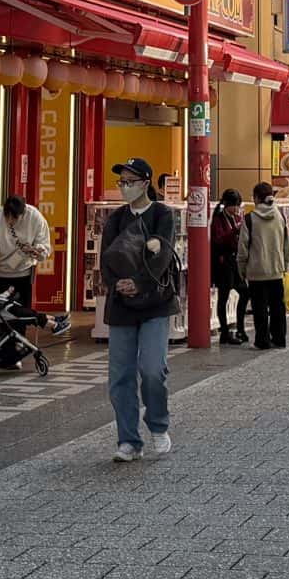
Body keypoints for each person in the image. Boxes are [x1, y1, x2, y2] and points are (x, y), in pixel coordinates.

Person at [99, 158, 180, 462]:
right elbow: (106, 258)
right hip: (121, 306)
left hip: (155, 303)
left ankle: (158, 424)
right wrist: (116, 283)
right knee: (120, 375)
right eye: (121, 182)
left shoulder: (162, 215)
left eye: (129, 181)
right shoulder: (116, 219)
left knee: (152, 369)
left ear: (145, 183)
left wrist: (140, 282)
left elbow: (163, 256)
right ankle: (129, 440)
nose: (124, 187)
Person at [0, 191, 52, 318]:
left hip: (24, 274)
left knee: (21, 316)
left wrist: (38, 250)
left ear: (23, 214)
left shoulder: (35, 217)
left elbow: (44, 244)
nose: (10, 221)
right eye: (7, 216)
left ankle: (18, 338)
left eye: (14, 218)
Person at [240, 181, 289, 349]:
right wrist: (286, 265)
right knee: (278, 307)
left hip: (256, 271)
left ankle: (262, 341)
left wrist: (242, 270)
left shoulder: (249, 219)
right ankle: (279, 339)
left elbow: (242, 248)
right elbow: (286, 244)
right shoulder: (280, 216)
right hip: (277, 270)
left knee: (259, 308)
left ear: (256, 198)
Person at [211, 188, 248, 344]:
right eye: (234, 206)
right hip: (223, 262)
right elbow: (218, 239)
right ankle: (224, 331)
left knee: (245, 292)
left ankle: (240, 328)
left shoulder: (236, 217)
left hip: (234, 260)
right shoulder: (219, 218)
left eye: (238, 206)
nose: (236, 209)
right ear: (226, 205)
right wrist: (234, 230)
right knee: (223, 296)